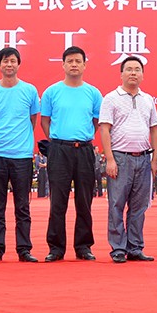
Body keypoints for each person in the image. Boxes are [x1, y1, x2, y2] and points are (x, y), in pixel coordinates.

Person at [41, 46, 103, 262]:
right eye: (70, 61)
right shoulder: (51, 92)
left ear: (84, 65)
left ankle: (83, 246)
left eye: (78, 61)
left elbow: (96, 122)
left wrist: (83, 137)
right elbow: (45, 121)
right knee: (58, 201)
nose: (74, 65)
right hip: (59, 150)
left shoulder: (93, 93)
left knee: (84, 201)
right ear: (63, 65)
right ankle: (56, 248)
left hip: (84, 149)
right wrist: (57, 142)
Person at [0, 47, 41, 263]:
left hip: (22, 156)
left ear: (18, 64)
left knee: (22, 206)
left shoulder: (30, 91)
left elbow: (32, 120)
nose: (9, 64)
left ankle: (24, 249)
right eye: (5, 61)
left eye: (13, 61)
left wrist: (20, 141)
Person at [100, 56, 157, 263]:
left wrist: (154, 159)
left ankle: (135, 247)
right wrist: (110, 159)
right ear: (121, 74)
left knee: (139, 207)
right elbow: (105, 129)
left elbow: (154, 129)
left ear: (142, 74)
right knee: (116, 204)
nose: (133, 73)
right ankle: (118, 248)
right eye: (129, 69)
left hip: (143, 158)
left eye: (137, 69)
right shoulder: (111, 98)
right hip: (120, 158)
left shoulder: (148, 99)